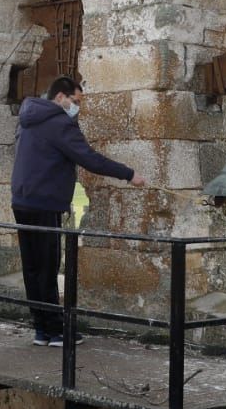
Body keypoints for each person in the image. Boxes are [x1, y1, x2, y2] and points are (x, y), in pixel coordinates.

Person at [11, 76, 147, 346]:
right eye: (76, 101)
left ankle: (41, 329)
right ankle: (56, 331)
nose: (78, 108)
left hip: (22, 200)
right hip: (45, 202)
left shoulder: (28, 118)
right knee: (48, 268)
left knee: (33, 269)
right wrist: (129, 174)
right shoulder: (59, 122)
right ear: (61, 97)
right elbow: (89, 158)